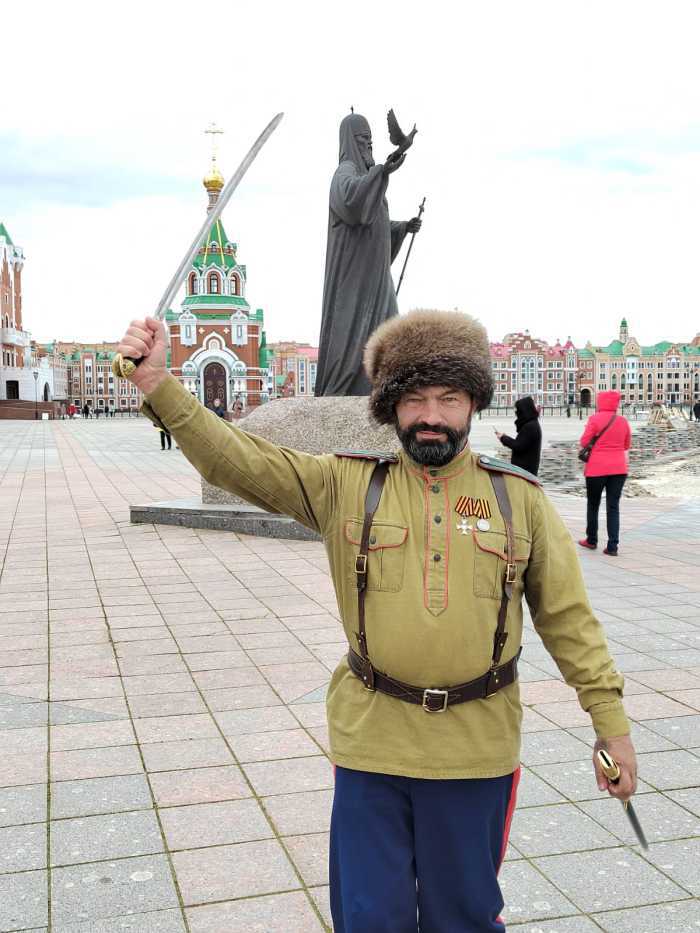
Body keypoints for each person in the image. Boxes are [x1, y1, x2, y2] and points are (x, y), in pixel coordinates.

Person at [116, 310, 636, 933]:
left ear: (474, 403)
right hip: (372, 747)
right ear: (390, 407)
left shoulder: (517, 497)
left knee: (464, 918)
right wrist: (158, 384)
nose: (431, 415)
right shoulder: (346, 483)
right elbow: (236, 460)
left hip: (476, 750)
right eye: (414, 398)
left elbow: (569, 620)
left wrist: (610, 724)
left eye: (449, 397)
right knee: (369, 918)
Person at [314, 112, 422, 396]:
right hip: (356, 279)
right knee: (354, 332)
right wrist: (382, 172)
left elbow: (375, 223)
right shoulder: (344, 172)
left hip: (377, 276)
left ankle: (387, 387)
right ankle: (351, 388)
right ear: (351, 141)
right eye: (364, 139)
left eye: (371, 140)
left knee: (390, 326)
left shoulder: (366, 176)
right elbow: (352, 203)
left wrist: (401, 227)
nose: (369, 145)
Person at [578, 390, 631, 557]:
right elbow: (627, 444)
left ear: (600, 402)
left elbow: (584, 442)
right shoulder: (623, 421)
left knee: (593, 505)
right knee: (613, 507)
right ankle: (612, 546)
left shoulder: (594, 419)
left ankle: (591, 540)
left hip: (597, 469)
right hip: (619, 469)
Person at [494, 395, 542, 476]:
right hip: (526, 470)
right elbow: (522, 442)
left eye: (518, 411)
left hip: (525, 472)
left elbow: (518, 446)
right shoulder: (532, 423)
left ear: (524, 411)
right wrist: (505, 437)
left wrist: (503, 438)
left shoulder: (530, 426)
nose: (516, 413)